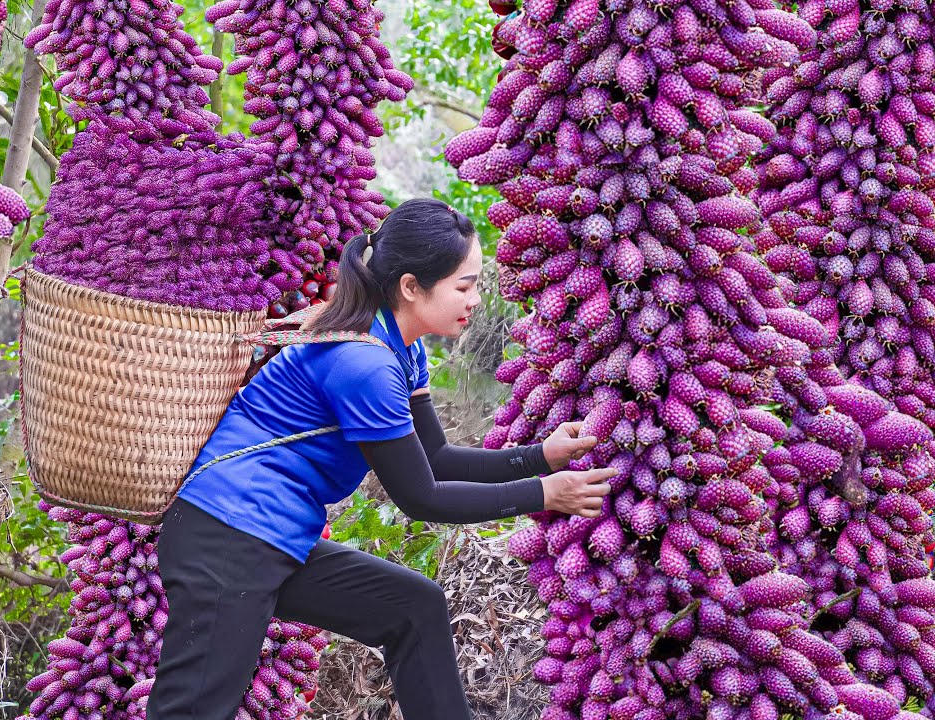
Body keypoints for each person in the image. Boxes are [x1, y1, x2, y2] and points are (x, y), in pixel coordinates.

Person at [148, 198, 617, 720]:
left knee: (413, 610)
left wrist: (541, 457)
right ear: (412, 286)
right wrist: (544, 494)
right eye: (464, 285)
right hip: (227, 536)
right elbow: (421, 496)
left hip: (274, 538)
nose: (477, 299)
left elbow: (434, 458)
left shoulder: (400, 345)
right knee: (191, 711)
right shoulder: (363, 364)